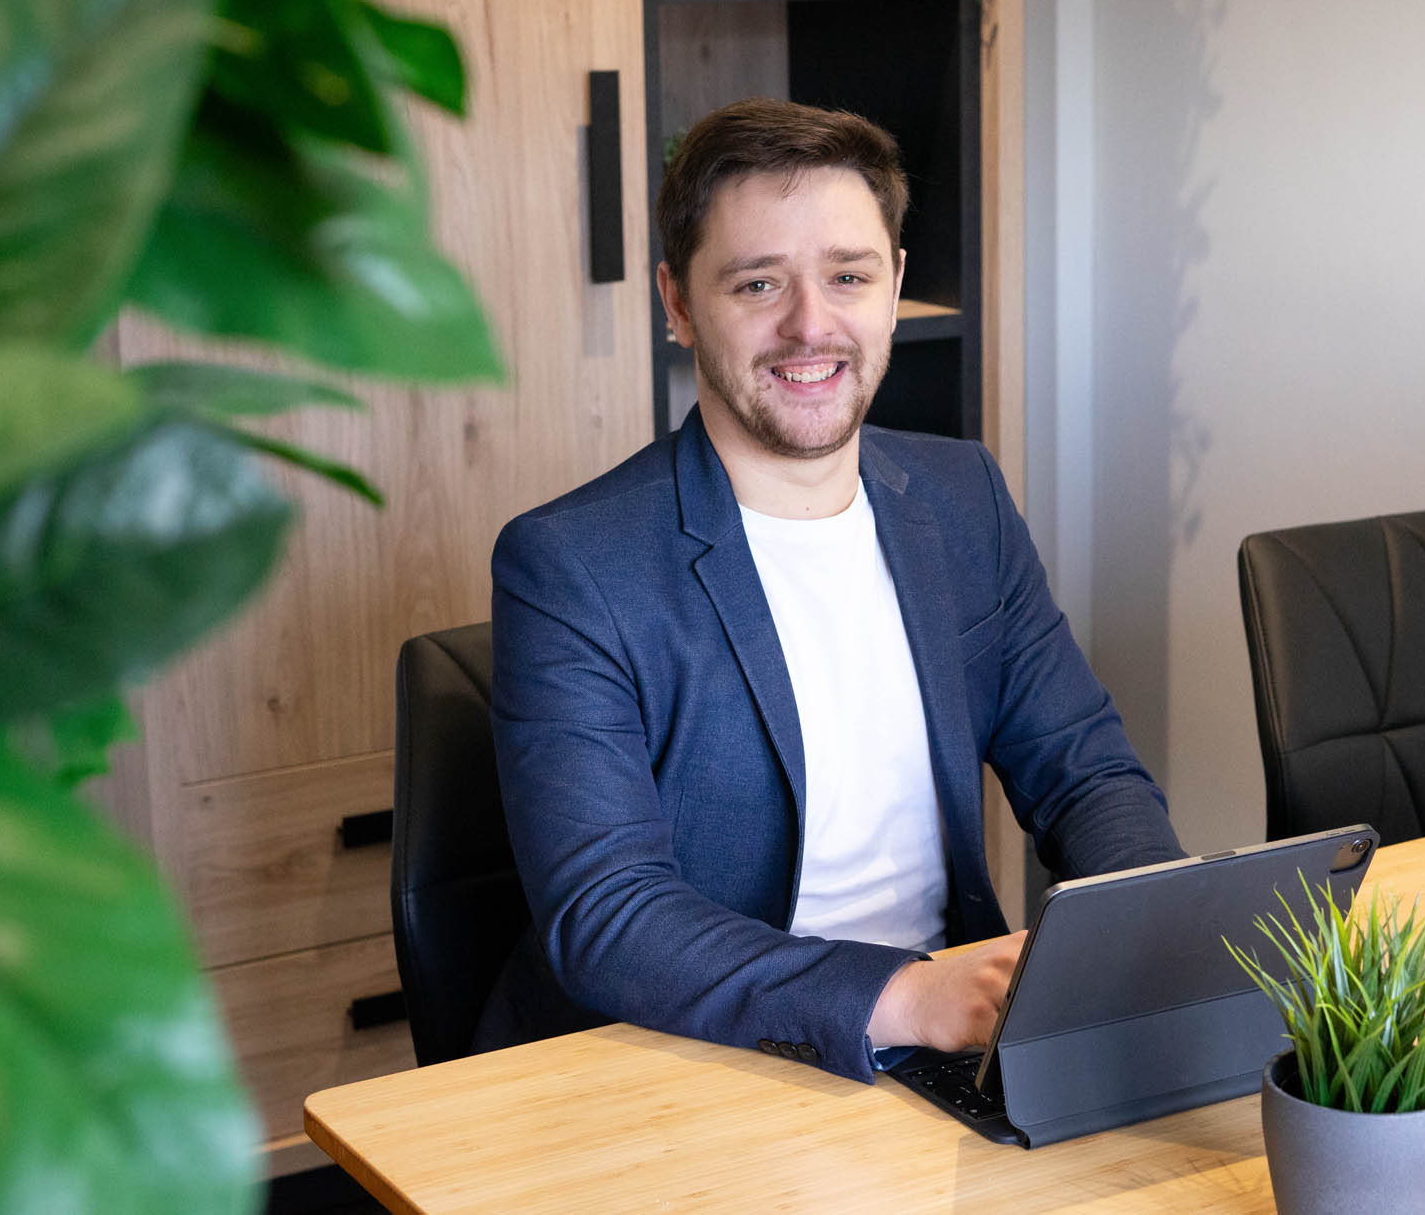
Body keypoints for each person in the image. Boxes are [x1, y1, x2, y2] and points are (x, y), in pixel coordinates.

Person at [482, 97, 1185, 1081]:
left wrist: (1156, 934)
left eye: (846, 276)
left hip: (944, 1044)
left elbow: (1084, 773)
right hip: (689, 1060)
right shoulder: (569, 565)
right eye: (757, 282)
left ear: (893, 286)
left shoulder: (959, 495)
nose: (809, 325)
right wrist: (903, 998)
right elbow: (609, 914)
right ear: (677, 303)